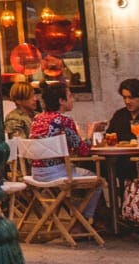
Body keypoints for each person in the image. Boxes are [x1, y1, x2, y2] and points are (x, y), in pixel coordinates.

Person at [29, 83, 100, 221]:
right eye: (70, 96)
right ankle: (82, 221)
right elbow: (84, 151)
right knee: (96, 181)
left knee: (80, 174)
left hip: (36, 173)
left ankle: (77, 218)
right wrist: (90, 133)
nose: (73, 99)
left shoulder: (37, 119)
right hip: (56, 173)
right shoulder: (64, 121)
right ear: (61, 101)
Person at [106, 78, 139, 143]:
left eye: (131, 97)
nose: (127, 101)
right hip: (122, 153)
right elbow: (108, 137)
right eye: (124, 97)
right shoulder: (119, 115)